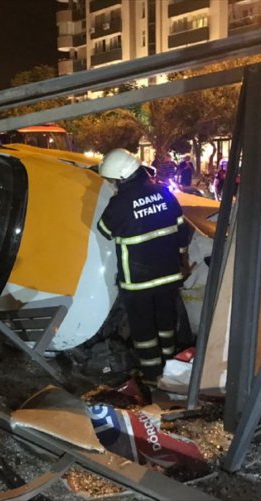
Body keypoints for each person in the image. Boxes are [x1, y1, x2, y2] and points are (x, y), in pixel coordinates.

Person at [97, 149, 191, 386]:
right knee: (166, 322)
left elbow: (104, 230)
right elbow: (182, 232)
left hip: (138, 281)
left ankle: (152, 374)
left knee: (143, 329)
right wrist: (182, 259)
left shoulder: (119, 204)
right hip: (168, 275)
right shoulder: (164, 193)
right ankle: (170, 366)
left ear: (120, 178)